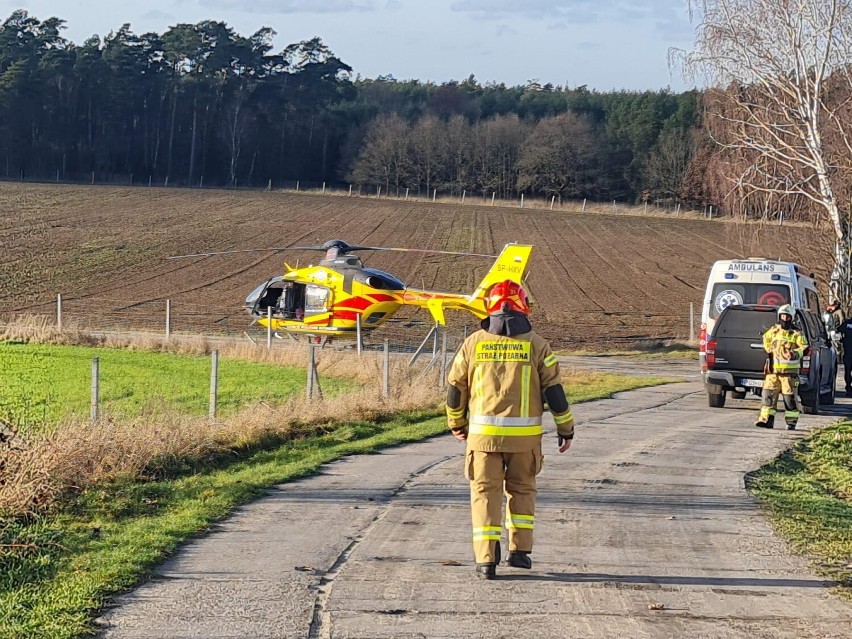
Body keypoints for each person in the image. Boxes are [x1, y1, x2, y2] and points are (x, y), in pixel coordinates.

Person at [446, 279, 574, 580]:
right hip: (525, 442)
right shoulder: (538, 345)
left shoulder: (473, 343)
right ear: (524, 307)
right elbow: (555, 393)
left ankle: (486, 560)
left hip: (482, 440)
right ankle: (520, 552)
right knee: (522, 491)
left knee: (484, 494)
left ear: (489, 308)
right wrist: (565, 429)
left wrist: (456, 423)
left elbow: (455, 388)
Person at [755, 304, 808, 430]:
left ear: (791, 318)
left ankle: (791, 422)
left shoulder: (796, 333)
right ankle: (766, 420)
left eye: (787, 316)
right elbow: (765, 339)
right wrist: (769, 348)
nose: (784, 318)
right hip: (773, 373)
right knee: (768, 396)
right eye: (782, 316)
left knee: (789, 399)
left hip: (789, 374)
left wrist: (795, 354)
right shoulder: (773, 331)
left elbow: (805, 347)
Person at [835, 308, 852, 396]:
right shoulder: (847, 323)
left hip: (848, 351)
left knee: (848, 370)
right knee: (848, 371)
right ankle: (849, 388)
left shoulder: (847, 323)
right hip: (848, 352)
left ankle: (849, 389)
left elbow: (838, 330)